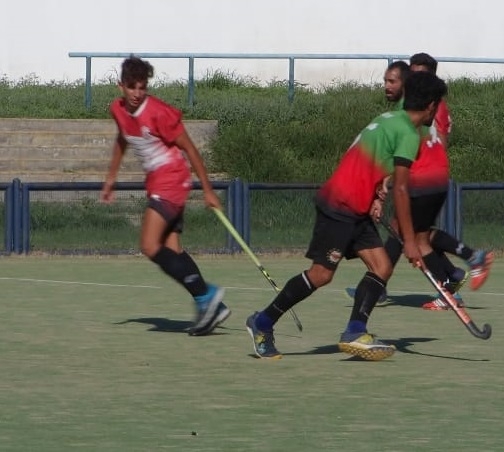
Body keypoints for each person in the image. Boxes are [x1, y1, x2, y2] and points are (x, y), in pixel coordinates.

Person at [245, 70, 447, 361]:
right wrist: (411, 241)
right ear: (430, 106)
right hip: (340, 204)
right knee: (321, 275)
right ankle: (262, 322)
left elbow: (371, 161)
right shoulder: (408, 134)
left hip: (357, 206)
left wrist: (375, 193)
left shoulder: (388, 119)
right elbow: (402, 189)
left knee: (382, 266)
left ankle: (355, 331)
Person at [100, 56, 230, 336]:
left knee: (149, 245)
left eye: (142, 87)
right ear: (121, 85)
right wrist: (111, 177)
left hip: (172, 179)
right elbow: (122, 139)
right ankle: (211, 306)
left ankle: (207, 295)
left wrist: (208, 190)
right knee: (172, 250)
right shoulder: (117, 110)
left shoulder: (159, 113)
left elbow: (191, 149)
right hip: (157, 182)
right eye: (132, 87)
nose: (137, 93)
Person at [381, 52, 494, 311]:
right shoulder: (416, 101)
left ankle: (454, 274)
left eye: (419, 74)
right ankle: (455, 272)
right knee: (418, 233)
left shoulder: (433, 104)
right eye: (412, 73)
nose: (413, 79)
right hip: (428, 174)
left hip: (425, 175)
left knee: (407, 233)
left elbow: (438, 141)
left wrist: (403, 171)